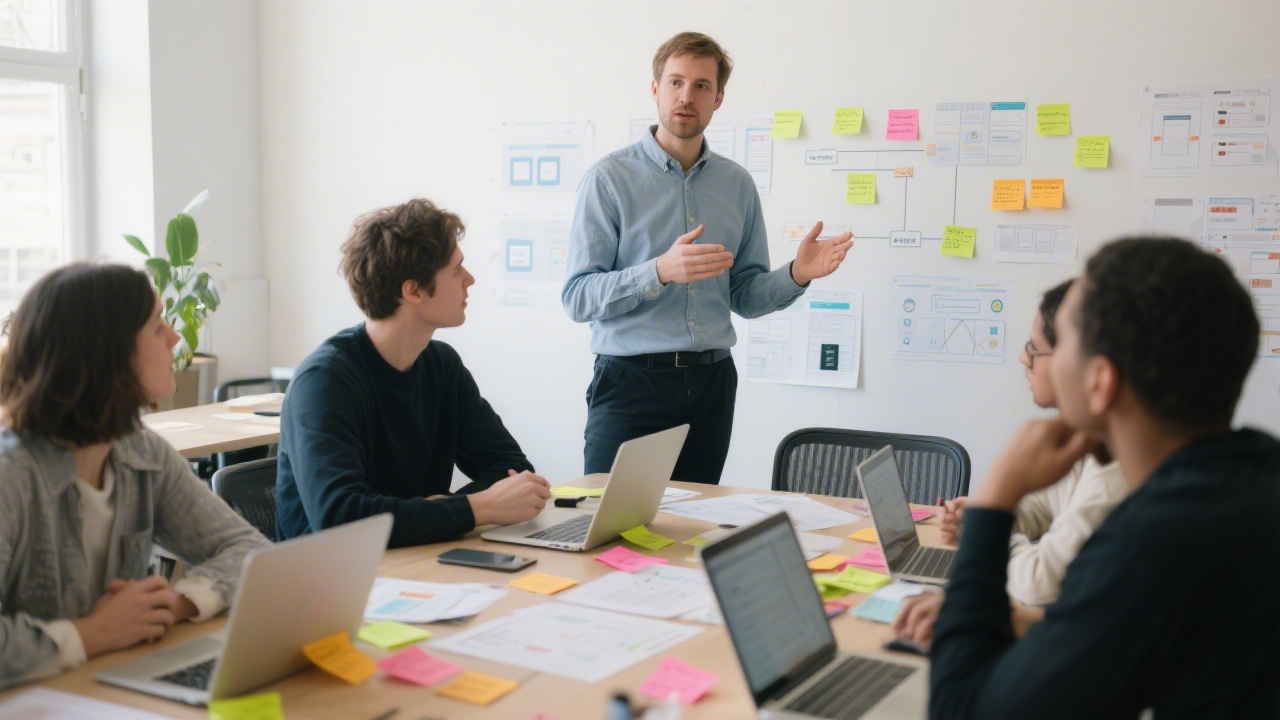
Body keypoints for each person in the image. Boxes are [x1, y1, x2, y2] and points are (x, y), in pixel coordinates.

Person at [928, 237, 1280, 719]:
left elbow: (961, 710)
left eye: (1063, 342)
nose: (1029, 357)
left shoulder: (1157, 539)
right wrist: (1026, 625)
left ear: (1099, 382)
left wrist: (994, 502)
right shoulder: (1254, 473)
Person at [561, 32, 854, 484]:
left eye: (701, 86)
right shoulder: (608, 180)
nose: (686, 96)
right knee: (612, 533)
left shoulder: (737, 186)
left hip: (712, 385)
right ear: (655, 89)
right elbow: (577, 297)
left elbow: (746, 296)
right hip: (631, 384)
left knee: (692, 528)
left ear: (718, 98)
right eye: (675, 82)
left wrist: (797, 274)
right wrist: (658, 271)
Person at [0, 263, 270, 688]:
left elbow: (249, 550)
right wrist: (91, 634)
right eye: (156, 325)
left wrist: (173, 604)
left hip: (101, 687)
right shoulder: (9, 475)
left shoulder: (140, 451)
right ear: (106, 351)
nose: (175, 337)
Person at [276, 198, 552, 548]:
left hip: (415, 560)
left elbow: (511, 467)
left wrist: (437, 511)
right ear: (414, 290)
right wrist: (475, 507)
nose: (471, 279)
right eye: (456, 270)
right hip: (328, 582)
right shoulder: (325, 381)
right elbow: (339, 517)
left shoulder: (441, 364)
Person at [893, 280, 1129, 648]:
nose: (1024, 358)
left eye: (1035, 348)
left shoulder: (1119, 474)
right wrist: (990, 517)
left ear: (1093, 369)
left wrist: (991, 519)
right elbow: (1046, 507)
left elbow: (1038, 584)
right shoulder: (1091, 444)